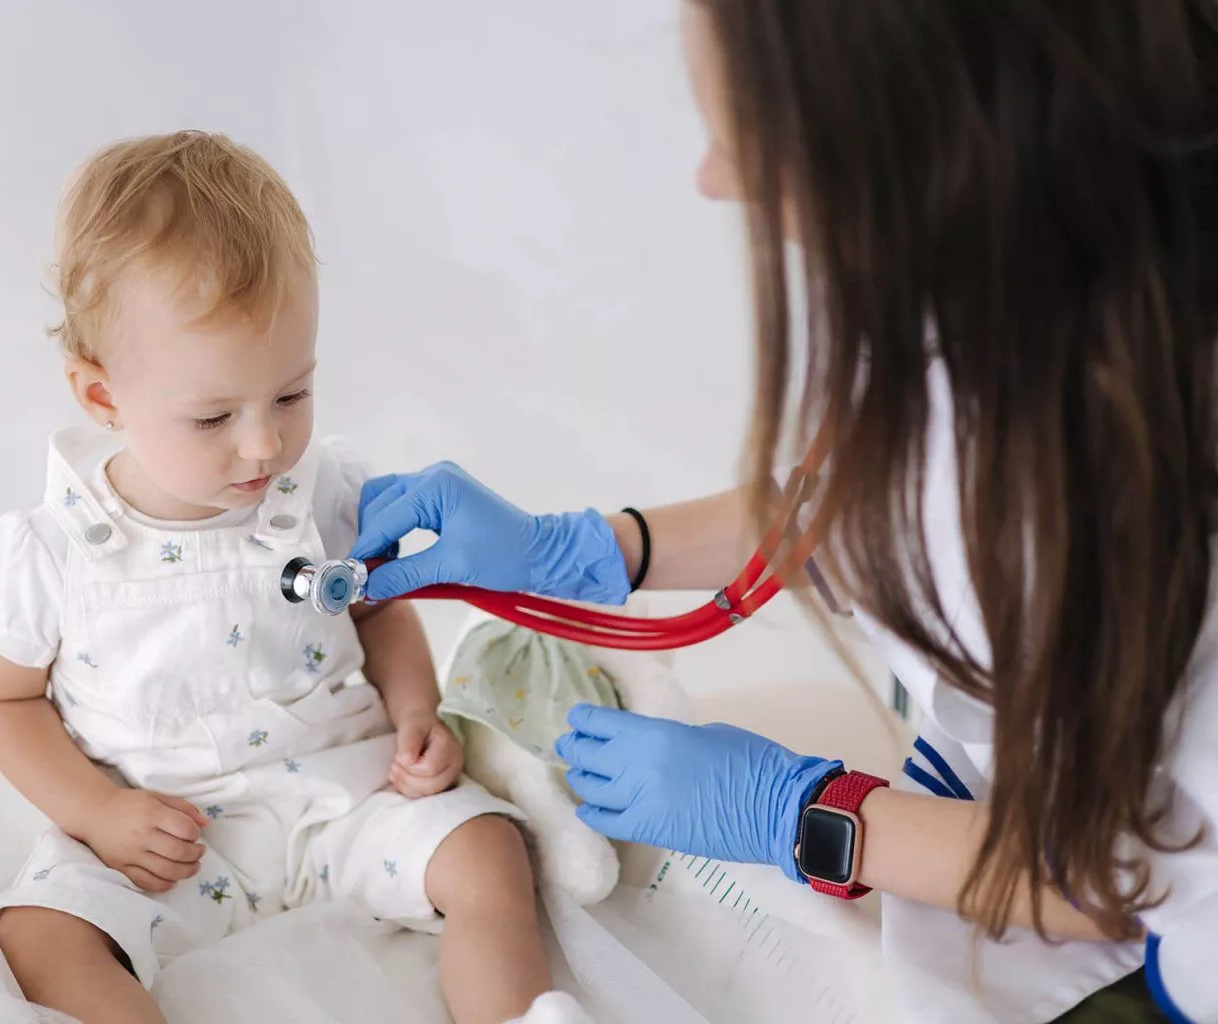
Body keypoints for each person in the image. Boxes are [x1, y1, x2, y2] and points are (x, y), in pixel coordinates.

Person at [350, 3, 1218, 1022]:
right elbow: (878, 499)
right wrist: (589, 548)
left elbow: (1105, 872)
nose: (713, 180)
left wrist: (813, 815)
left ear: (886, 140)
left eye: (736, 135)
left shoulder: (1088, 482)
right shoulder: (1056, 267)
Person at [0, 131, 585, 1024]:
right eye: (213, 416)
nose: (264, 445)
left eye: (291, 395)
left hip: (343, 794)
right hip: (166, 836)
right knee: (34, 937)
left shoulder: (325, 490)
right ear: (103, 398)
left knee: (488, 853)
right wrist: (99, 815)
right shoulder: (51, 550)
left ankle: (520, 1015)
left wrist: (417, 715)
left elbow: (379, 614)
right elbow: (1, 703)